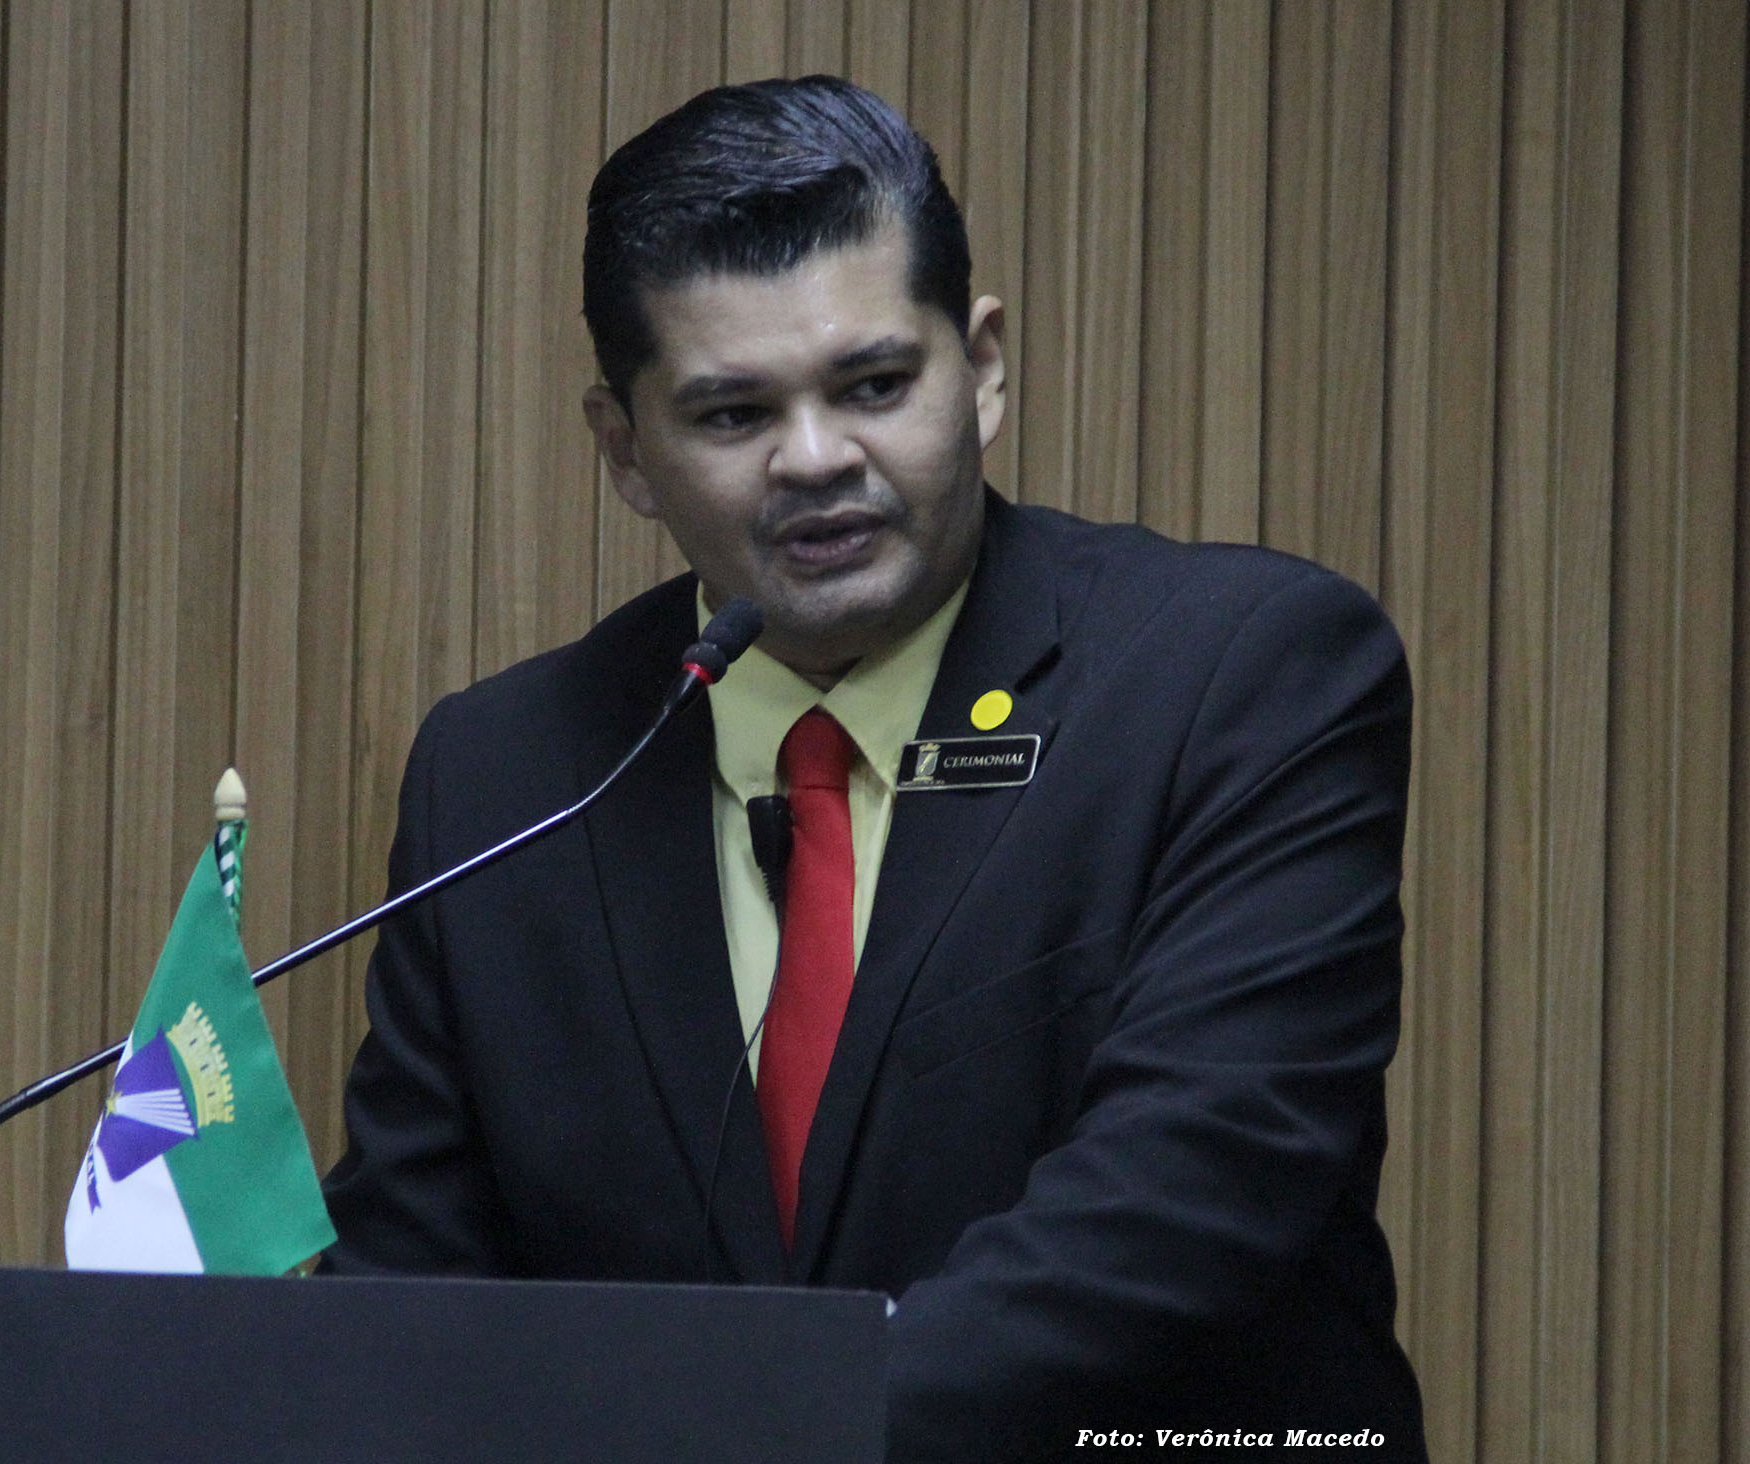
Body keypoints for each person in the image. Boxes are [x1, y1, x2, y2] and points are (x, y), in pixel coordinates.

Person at [317, 75, 1426, 1460]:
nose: (816, 459)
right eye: (734, 415)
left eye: (875, 386)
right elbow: (411, 1296)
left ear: (985, 366)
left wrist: (745, 1438)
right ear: (625, 452)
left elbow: (1187, 1201)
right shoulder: (510, 775)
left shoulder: (1237, 677)